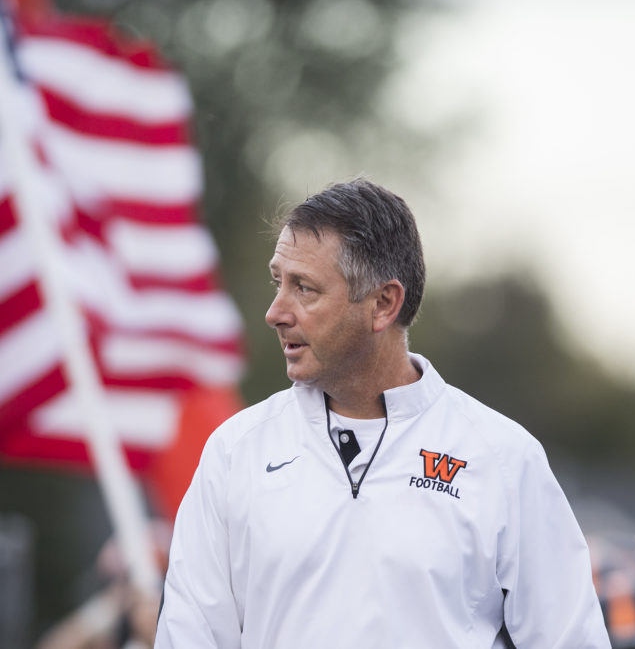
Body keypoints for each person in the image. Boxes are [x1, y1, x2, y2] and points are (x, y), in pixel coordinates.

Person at [154, 179, 611, 648]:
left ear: (383, 304)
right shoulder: (235, 452)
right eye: (279, 283)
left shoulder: (503, 456)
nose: (275, 312)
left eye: (304, 289)